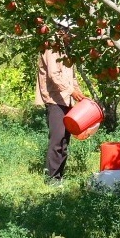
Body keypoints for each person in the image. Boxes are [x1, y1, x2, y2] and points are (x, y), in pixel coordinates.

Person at [35, 21, 85, 184]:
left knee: (64, 139)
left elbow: (72, 76)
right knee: (57, 139)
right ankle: (51, 178)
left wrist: (78, 93)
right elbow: (53, 75)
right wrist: (72, 91)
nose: (75, 37)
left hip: (66, 100)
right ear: (63, 31)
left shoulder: (65, 49)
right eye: (73, 33)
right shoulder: (52, 47)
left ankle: (59, 176)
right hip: (55, 99)